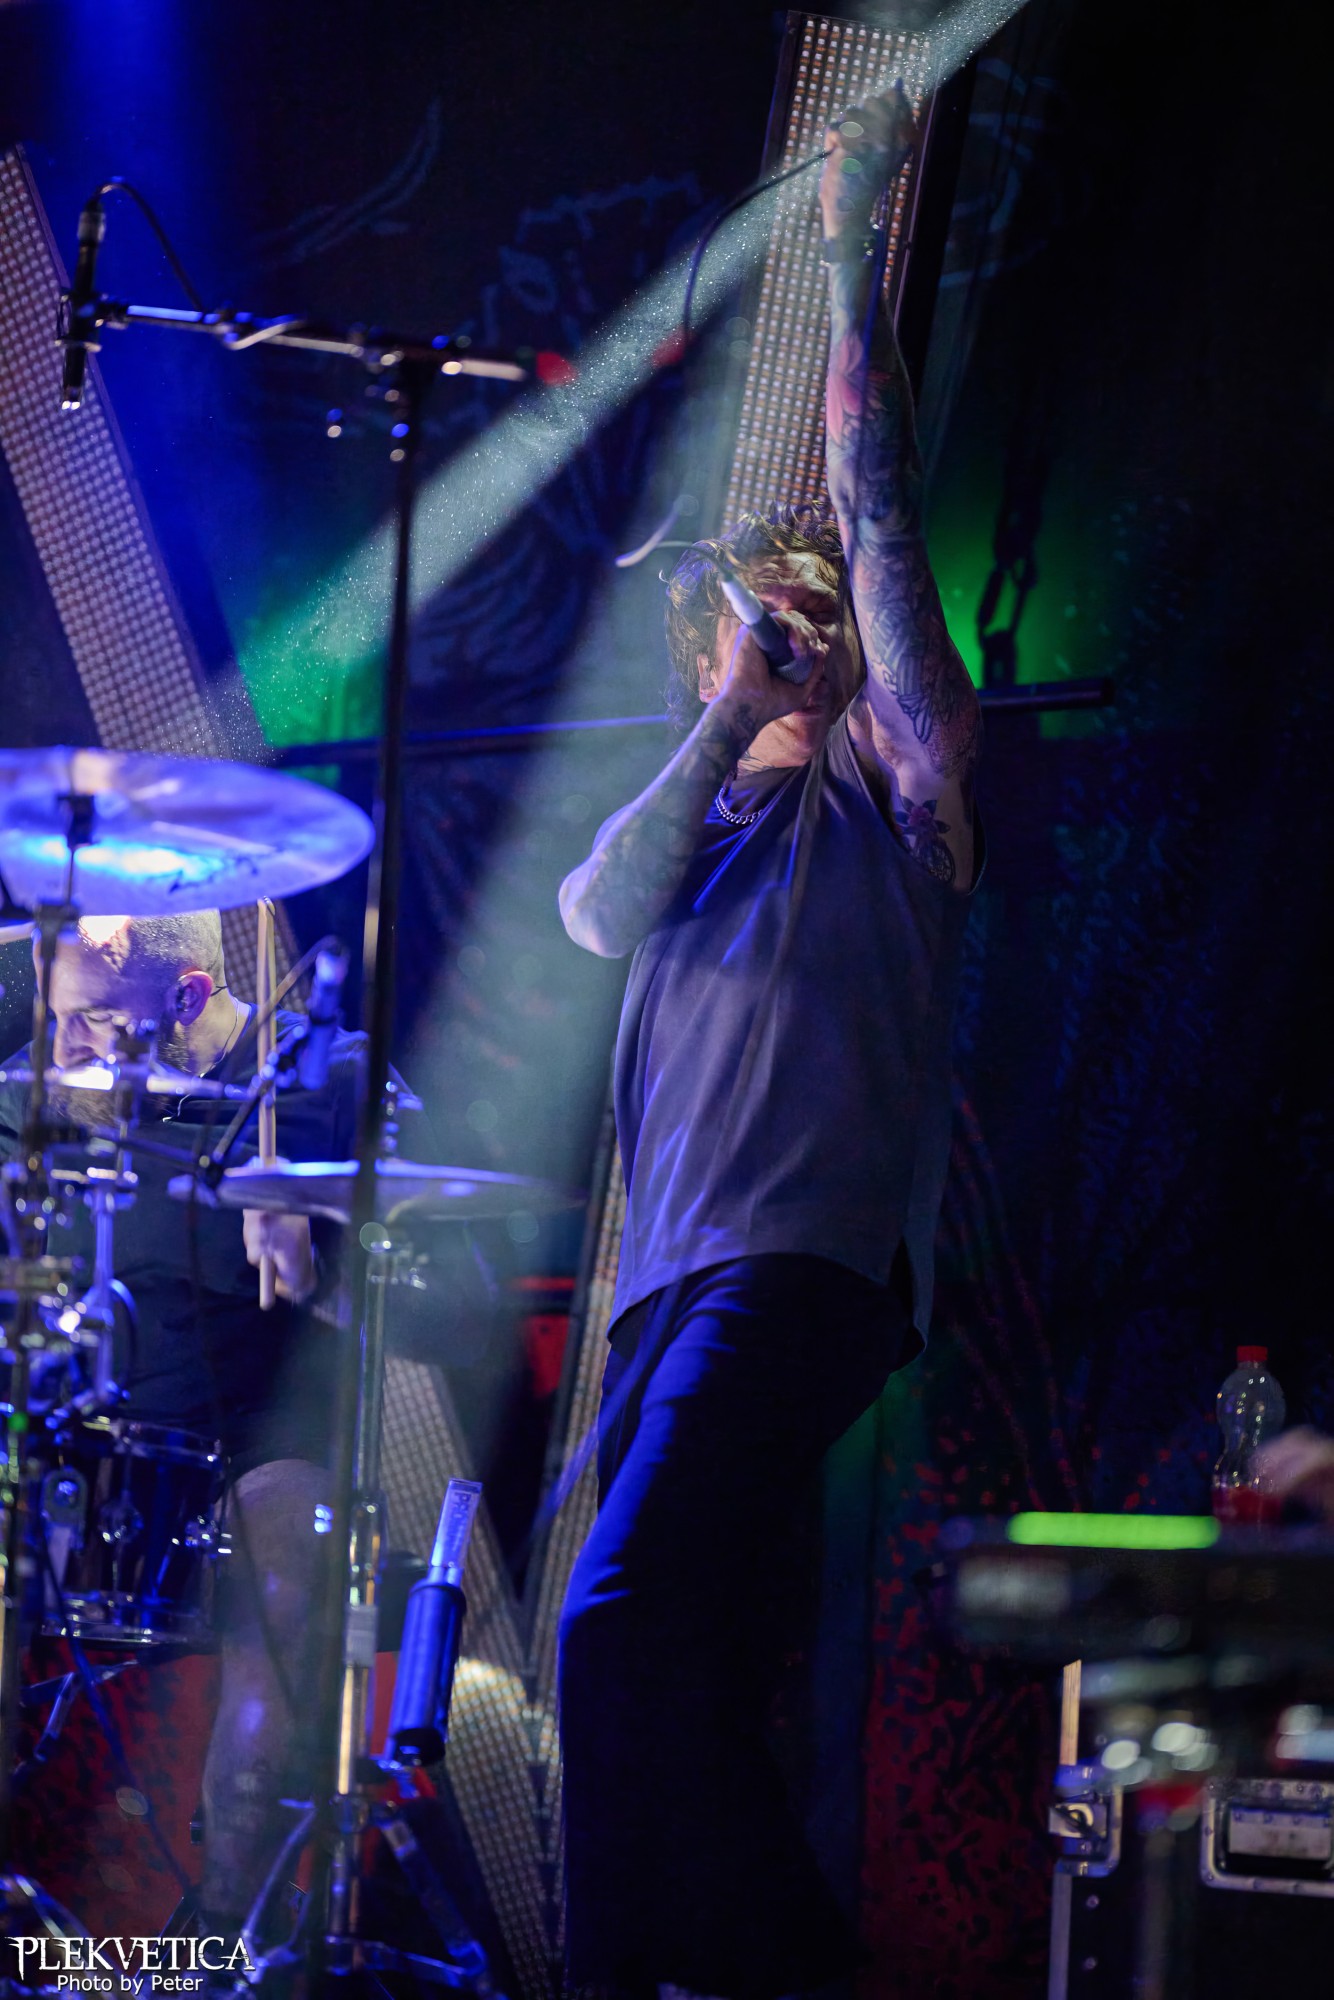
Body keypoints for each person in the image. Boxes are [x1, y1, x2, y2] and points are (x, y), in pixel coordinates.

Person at [555, 90, 984, 1999]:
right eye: (756, 619)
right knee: (683, 1705)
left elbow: (874, 511)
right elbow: (589, 913)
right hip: (668, 1295)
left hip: (792, 1272)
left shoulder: (889, 788)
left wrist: (840, 260)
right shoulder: (687, 821)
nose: (797, 627)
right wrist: (725, 715)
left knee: (607, 1627)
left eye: (809, 614)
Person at [0, 909, 374, 1937]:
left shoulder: (323, 1079)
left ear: (188, 998)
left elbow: (455, 1315)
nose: (61, 1045)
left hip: (256, 1439)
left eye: (89, 1022)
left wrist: (319, 1272)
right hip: (70, 1427)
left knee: (293, 1552)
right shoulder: (31, 1089)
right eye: (55, 1019)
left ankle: (226, 1927)